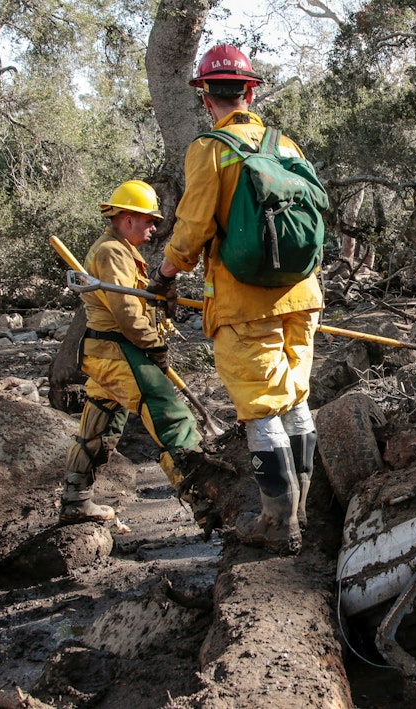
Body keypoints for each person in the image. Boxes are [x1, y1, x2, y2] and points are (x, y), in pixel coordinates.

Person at [147, 44, 322, 556]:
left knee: (260, 407)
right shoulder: (286, 144)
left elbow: (195, 225)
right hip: (303, 295)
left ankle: (278, 522)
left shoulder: (211, 147)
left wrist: (166, 271)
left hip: (245, 302)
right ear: (250, 91)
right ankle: (303, 511)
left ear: (206, 95)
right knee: (296, 399)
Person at [59, 180, 202, 524]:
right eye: (148, 220)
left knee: (99, 423)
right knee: (172, 418)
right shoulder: (112, 252)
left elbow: (131, 298)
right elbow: (125, 311)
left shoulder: (116, 250)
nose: (153, 228)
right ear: (126, 219)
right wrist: (154, 345)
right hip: (118, 352)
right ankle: (208, 501)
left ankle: (76, 499)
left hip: (103, 353)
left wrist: (157, 292)